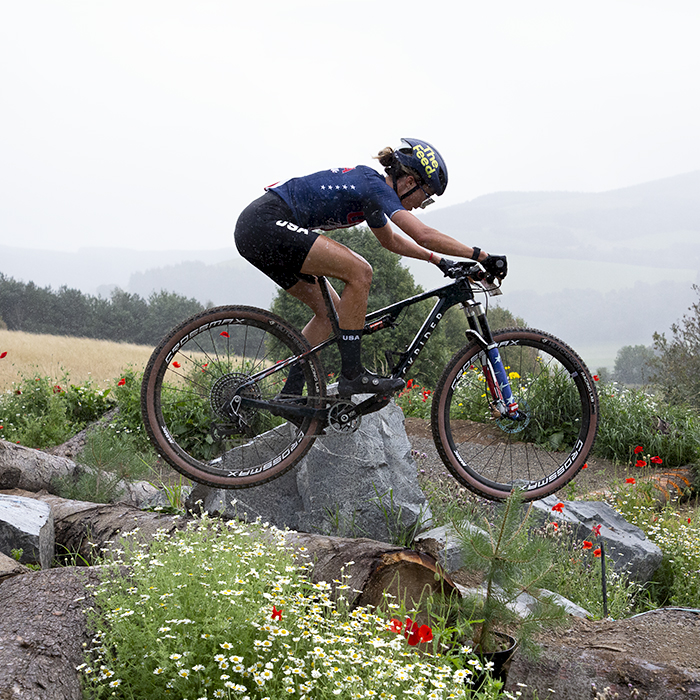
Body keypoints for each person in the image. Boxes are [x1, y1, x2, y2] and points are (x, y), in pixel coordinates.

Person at [234, 137, 507, 398]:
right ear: (410, 182)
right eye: (425, 197)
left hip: (256, 231)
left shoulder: (371, 192)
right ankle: (352, 374)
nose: (421, 206)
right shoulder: (375, 187)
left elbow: (390, 241)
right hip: (265, 223)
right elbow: (422, 234)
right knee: (360, 271)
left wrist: (437, 260)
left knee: (329, 313)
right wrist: (480, 255)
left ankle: (290, 395)